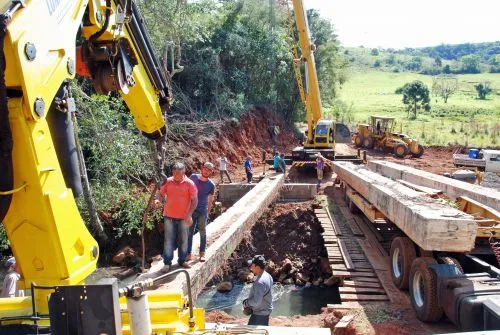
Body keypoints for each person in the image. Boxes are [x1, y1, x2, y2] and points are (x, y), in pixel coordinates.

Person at [158, 162, 198, 273]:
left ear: (183, 172)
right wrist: (158, 200)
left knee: (183, 239)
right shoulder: (168, 181)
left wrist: (189, 214)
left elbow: (195, 200)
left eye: (178, 173)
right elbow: (160, 194)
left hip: (184, 217)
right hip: (169, 216)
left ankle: (182, 260)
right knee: (168, 240)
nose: (175, 175)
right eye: (174, 173)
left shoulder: (189, 184)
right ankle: (167, 263)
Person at [187, 162, 216, 263]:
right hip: (191, 210)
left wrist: (208, 212)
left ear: (211, 172)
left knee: (203, 232)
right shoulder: (193, 177)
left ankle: (202, 253)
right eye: (205, 169)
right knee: (189, 232)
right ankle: (188, 254)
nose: (207, 171)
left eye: (209, 170)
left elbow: (210, 199)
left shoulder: (211, 185)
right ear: (202, 168)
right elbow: (186, 189)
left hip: (202, 211)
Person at [242, 255, 273, 326]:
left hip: (259, 314)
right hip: (265, 311)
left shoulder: (259, 282)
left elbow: (256, 301)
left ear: (258, 267)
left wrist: (246, 303)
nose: (251, 267)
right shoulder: (268, 275)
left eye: (252, 265)